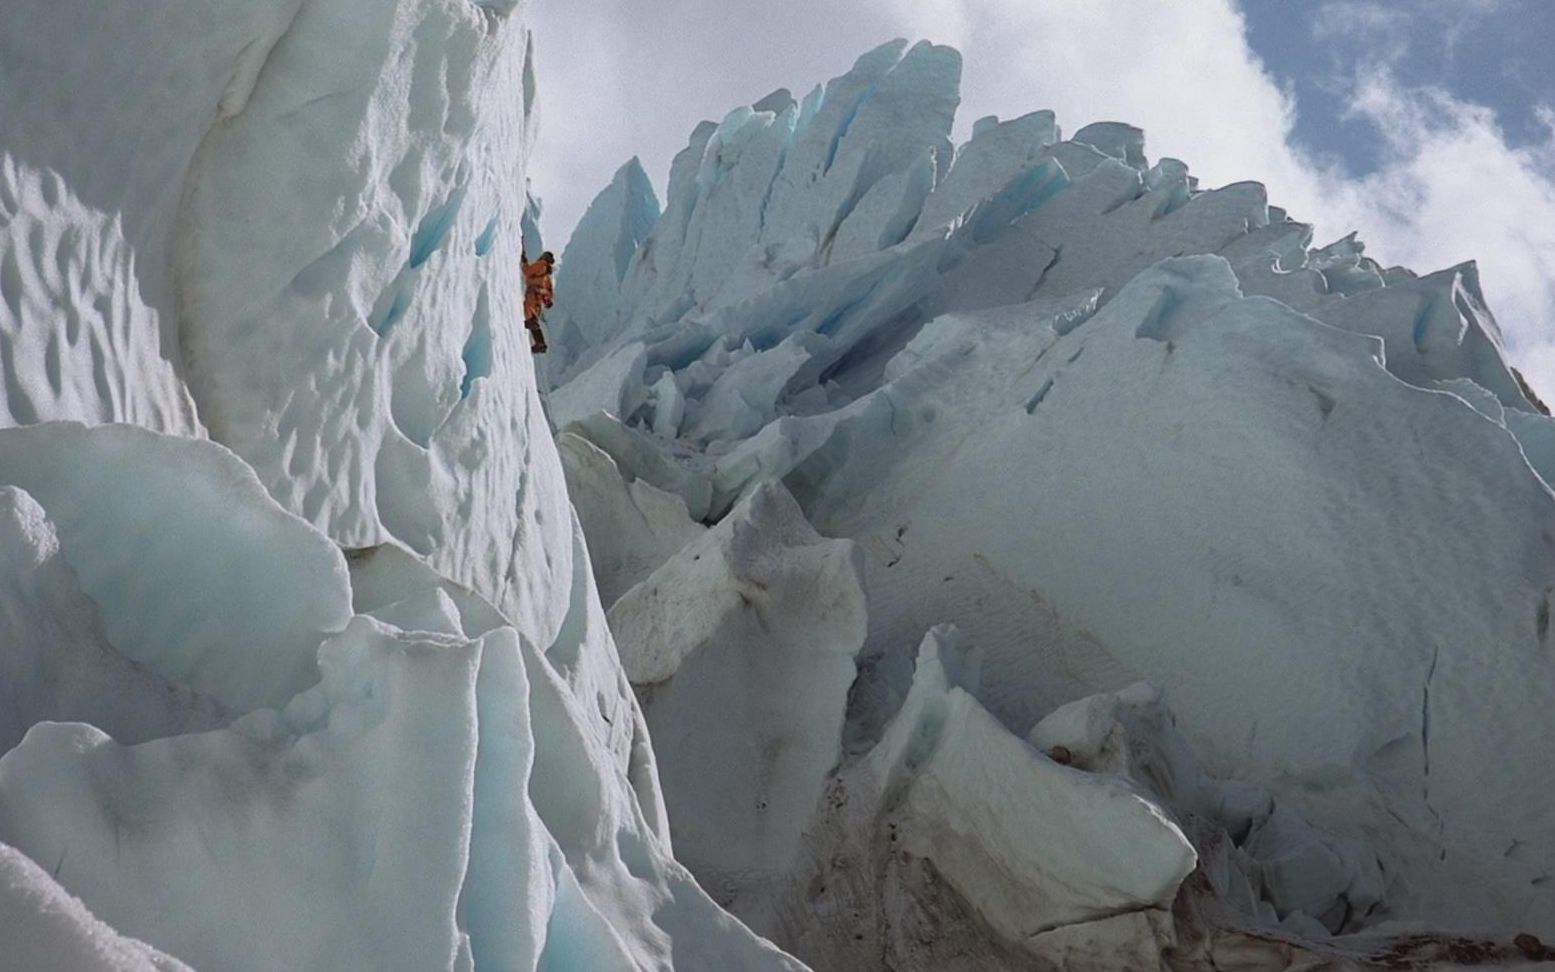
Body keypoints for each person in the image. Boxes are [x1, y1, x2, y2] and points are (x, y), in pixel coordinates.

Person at [521, 250, 555, 353]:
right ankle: (540, 343)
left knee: (530, 317)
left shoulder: (541, 265)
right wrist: (547, 301)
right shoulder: (547, 277)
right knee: (532, 320)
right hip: (538, 301)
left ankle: (540, 343)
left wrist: (524, 260)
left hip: (532, 295)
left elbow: (527, 271)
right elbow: (549, 294)